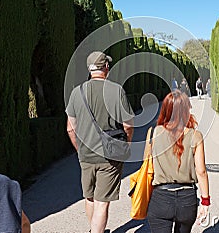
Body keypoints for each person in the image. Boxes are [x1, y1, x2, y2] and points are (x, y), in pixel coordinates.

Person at [66, 51, 134, 233]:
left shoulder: (76, 92)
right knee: (102, 203)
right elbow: (128, 125)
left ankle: (94, 229)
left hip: (86, 155)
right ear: (106, 68)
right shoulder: (116, 90)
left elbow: (70, 128)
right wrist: (126, 145)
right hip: (110, 156)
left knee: (89, 198)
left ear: (89, 70)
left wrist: (79, 149)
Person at [147, 90, 210, 233]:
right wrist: (205, 201)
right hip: (187, 200)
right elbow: (201, 171)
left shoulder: (154, 133)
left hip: (160, 198)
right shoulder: (196, 136)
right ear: (186, 110)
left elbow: (148, 164)